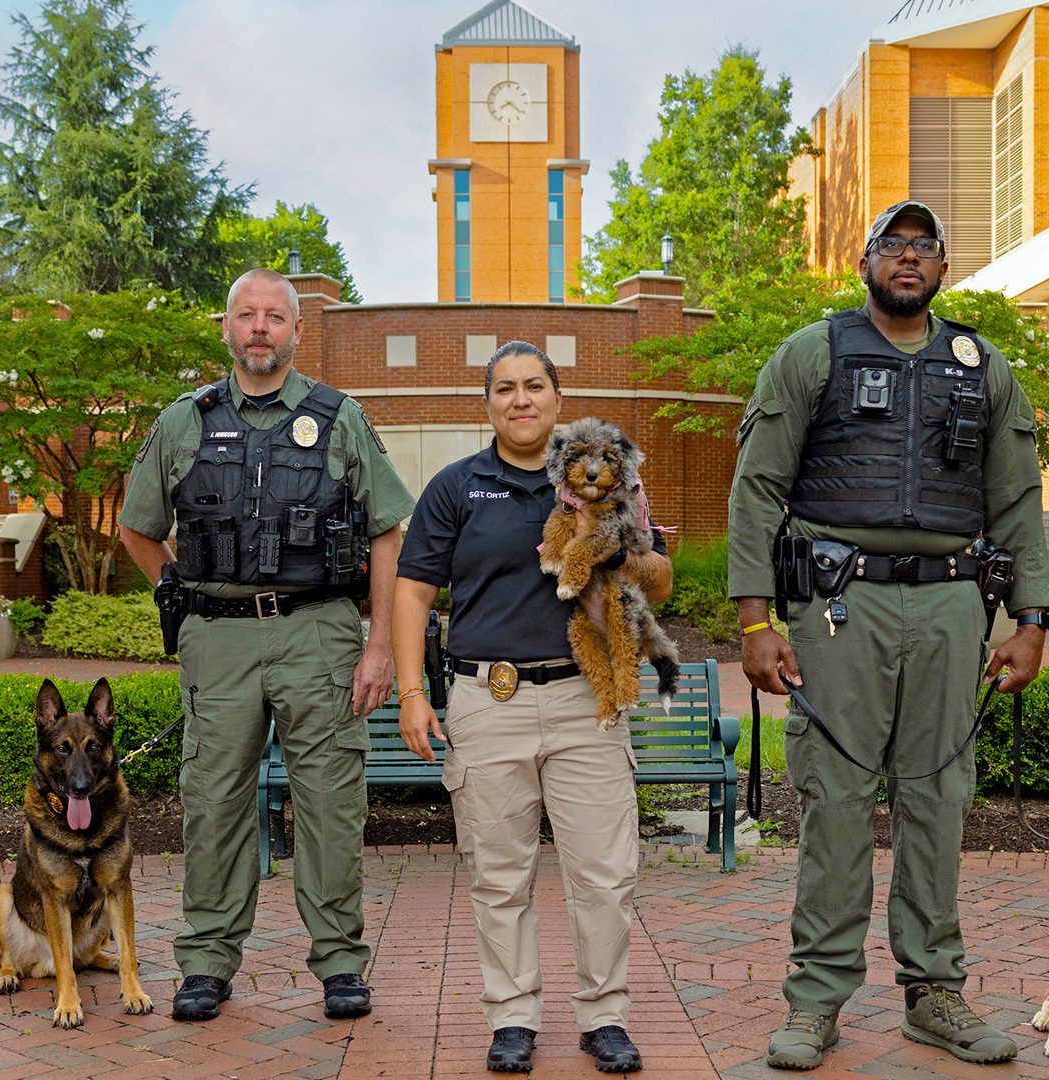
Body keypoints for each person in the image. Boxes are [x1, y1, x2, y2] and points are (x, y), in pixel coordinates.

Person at [728, 201, 1049, 1070]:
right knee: (835, 801)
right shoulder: (812, 353)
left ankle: (934, 994)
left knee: (938, 801)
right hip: (841, 605)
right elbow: (757, 489)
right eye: (891, 245)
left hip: (952, 606)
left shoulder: (983, 367)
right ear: (865, 260)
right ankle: (816, 1001)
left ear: (944, 267)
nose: (907, 259)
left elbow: (1019, 499)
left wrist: (1033, 620)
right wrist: (755, 620)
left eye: (924, 248)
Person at [117, 267, 415, 1024]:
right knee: (212, 801)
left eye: (274, 317)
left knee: (330, 802)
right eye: (246, 316)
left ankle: (341, 962)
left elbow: (388, 530)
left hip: (318, 631)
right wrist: (176, 589)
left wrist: (378, 645)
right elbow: (136, 527)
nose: (259, 329)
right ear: (225, 328)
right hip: (216, 638)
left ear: (296, 331)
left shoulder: (340, 418)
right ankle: (208, 961)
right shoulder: (184, 421)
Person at [393, 341, 672, 1075]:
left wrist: (613, 545)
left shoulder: (606, 474)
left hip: (588, 701)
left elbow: (661, 578)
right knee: (498, 872)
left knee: (605, 874)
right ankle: (512, 1016)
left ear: (557, 396)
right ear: (486, 403)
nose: (521, 399)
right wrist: (413, 694)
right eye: (506, 388)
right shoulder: (457, 487)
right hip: (490, 699)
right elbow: (411, 591)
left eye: (535, 386)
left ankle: (603, 1015)